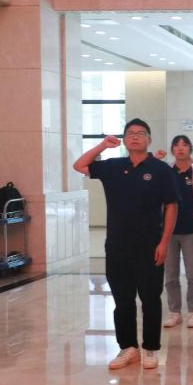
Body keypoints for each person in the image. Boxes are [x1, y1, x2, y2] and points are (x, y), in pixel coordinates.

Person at [73, 118, 179, 370]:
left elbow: (171, 206)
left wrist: (164, 242)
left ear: (149, 140)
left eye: (141, 133)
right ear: (124, 139)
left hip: (150, 245)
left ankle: (151, 348)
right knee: (122, 300)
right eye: (130, 133)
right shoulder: (113, 166)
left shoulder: (161, 169)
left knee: (150, 299)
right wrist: (102, 145)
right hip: (117, 246)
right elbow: (79, 165)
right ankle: (128, 348)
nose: (135, 136)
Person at [163, 135, 193, 328]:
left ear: (190, 148)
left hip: (192, 231)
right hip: (169, 232)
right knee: (170, 274)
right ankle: (175, 312)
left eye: (184, 145)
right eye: (176, 145)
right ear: (172, 150)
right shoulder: (166, 172)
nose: (180, 148)